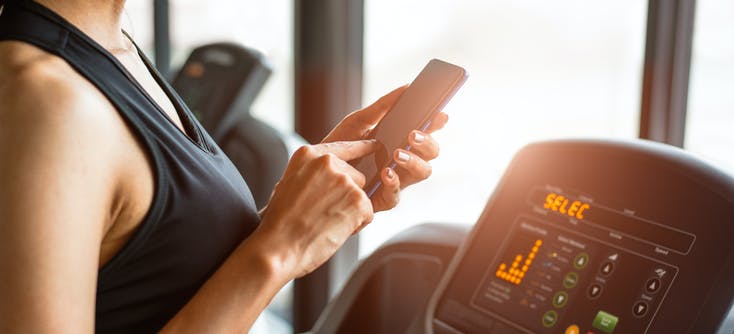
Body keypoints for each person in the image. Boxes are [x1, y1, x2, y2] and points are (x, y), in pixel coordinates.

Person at [0, 0, 448, 332]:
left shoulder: (111, 47)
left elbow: (152, 279)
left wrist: (297, 215)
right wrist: (281, 247)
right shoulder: (49, 101)